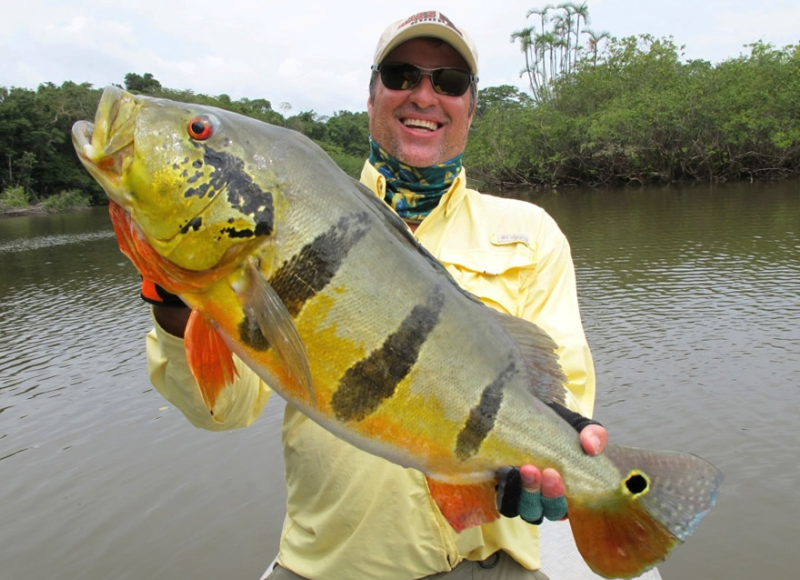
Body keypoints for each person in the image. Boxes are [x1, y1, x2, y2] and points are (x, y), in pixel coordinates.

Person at [145, 10, 607, 580]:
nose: (424, 95)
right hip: (336, 566)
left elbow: (565, 390)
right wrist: (172, 299)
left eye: (449, 82)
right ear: (372, 95)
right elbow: (224, 410)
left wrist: (554, 456)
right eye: (401, 74)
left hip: (493, 562)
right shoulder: (294, 217)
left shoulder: (530, 233)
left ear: (470, 106)